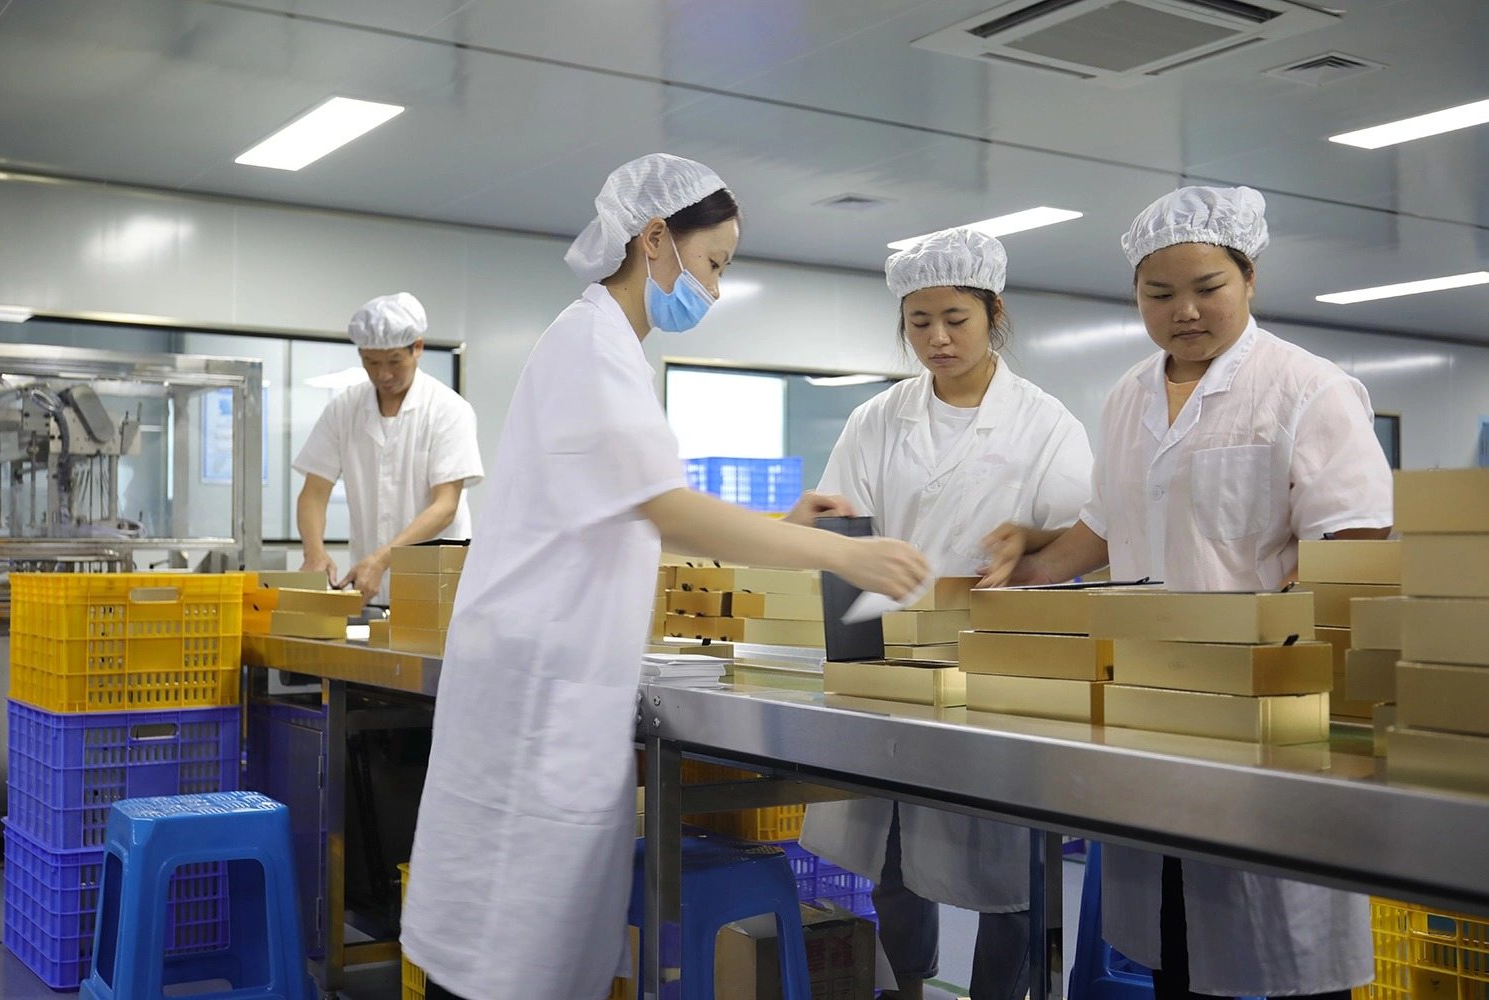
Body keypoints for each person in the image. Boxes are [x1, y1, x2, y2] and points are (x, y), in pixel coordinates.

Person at [400, 153, 931, 1000]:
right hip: (538, 691)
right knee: (507, 944)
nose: (714, 290)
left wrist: (782, 528)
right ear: (654, 239)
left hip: (552, 681)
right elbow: (664, 507)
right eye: (713, 264)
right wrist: (840, 554)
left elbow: (631, 513)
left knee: (518, 938)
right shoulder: (590, 347)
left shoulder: (605, 346)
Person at [983, 186, 1392, 1000]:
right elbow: (1105, 525)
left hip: (1266, 708)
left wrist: (1265, 631)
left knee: (1283, 937)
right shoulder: (1127, 396)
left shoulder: (1307, 388)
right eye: (1158, 293)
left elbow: (1355, 540)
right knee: (1173, 933)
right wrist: (1026, 567)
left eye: (1208, 287)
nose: (1186, 312)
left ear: (1250, 277)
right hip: (1152, 703)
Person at [796, 227, 1093, 1000]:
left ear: (995, 313)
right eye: (918, 321)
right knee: (893, 854)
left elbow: (1083, 540)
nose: (936, 338)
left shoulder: (1046, 423)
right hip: (891, 663)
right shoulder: (878, 418)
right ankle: (908, 987)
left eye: (955, 319)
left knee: (1009, 868)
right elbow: (842, 527)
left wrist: (1030, 544)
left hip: (999, 668)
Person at [293, 292, 484, 604]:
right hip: (371, 589)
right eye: (371, 362)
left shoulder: (449, 410)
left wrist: (381, 560)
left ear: (417, 348)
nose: (383, 374)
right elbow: (314, 493)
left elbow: (445, 506)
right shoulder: (344, 409)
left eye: (394, 361)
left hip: (436, 588)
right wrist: (314, 553)